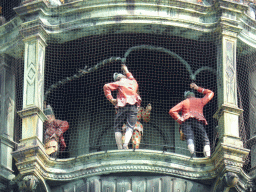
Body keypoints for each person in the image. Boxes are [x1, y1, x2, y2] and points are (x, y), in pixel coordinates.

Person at [169, 83, 214, 158]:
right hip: (198, 120)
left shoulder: (184, 102)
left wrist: (180, 120)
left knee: (190, 138)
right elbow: (211, 93)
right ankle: (208, 156)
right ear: (193, 96)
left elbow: (172, 111)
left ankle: (193, 155)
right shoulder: (200, 101)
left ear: (186, 97)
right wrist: (198, 88)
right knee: (205, 139)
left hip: (186, 121)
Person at [103, 64, 141, 149]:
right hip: (134, 106)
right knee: (130, 126)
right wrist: (125, 69)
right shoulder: (133, 81)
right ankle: (125, 144)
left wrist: (111, 99)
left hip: (122, 105)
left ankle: (120, 147)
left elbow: (106, 86)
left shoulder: (120, 82)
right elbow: (130, 76)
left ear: (117, 79)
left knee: (117, 126)